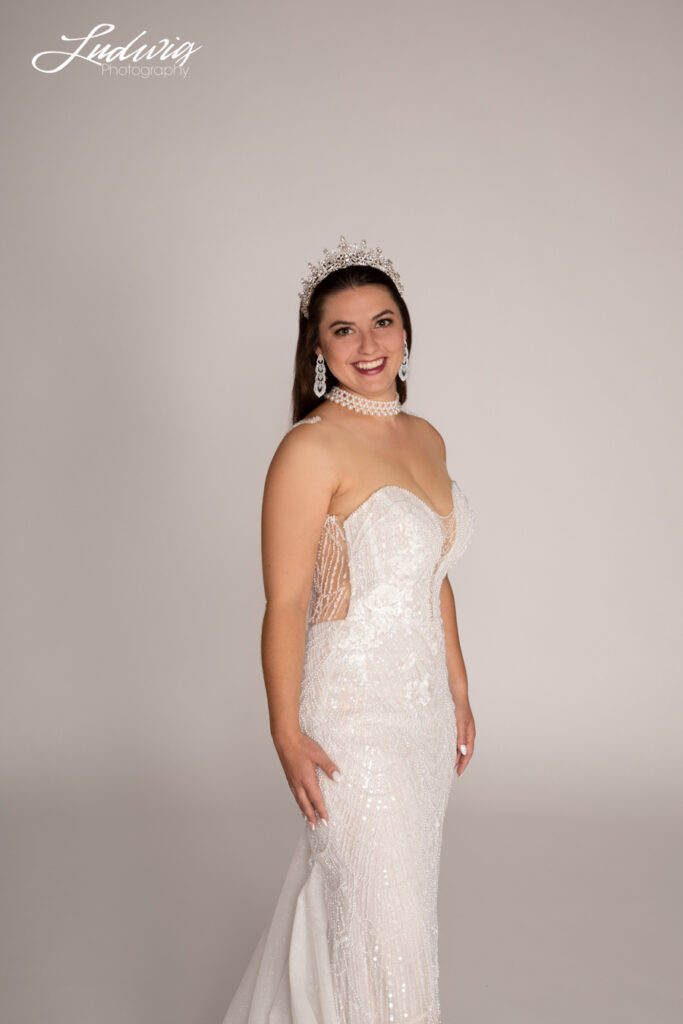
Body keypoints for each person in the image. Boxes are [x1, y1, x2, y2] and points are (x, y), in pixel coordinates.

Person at [222, 235, 476, 1024]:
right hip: (351, 717)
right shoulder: (309, 448)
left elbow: (430, 576)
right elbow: (284, 603)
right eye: (343, 329)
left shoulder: (425, 437)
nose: (367, 345)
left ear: (406, 333)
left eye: (382, 322)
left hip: (422, 716)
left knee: (394, 913)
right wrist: (284, 732)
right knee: (380, 915)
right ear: (317, 348)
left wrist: (459, 690)